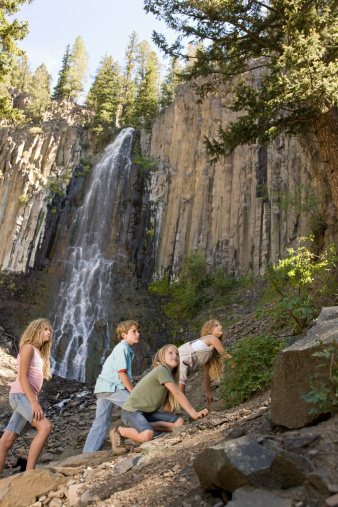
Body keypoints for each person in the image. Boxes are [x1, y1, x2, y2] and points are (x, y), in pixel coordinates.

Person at [110, 344, 209, 454]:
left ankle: (143, 427)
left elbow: (166, 406)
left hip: (148, 414)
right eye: (170, 353)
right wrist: (194, 413)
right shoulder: (161, 369)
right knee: (147, 434)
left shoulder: (169, 376)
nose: (175, 355)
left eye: (177, 354)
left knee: (179, 422)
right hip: (131, 411)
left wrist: (168, 417)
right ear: (162, 357)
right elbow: (177, 393)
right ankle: (119, 431)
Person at [0, 318, 53, 475]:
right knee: (45, 426)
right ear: (35, 330)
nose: (48, 332)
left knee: (7, 440)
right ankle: (29, 474)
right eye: (45, 329)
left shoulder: (39, 352)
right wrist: (33, 402)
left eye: (49, 330)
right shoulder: (28, 348)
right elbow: (22, 377)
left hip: (25, 397)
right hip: (20, 395)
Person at [83, 320, 140, 453]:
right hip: (112, 387)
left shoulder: (122, 348)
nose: (137, 334)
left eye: (138, 331)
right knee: (136, 406)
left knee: (101, 422)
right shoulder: (123, 348)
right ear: (124, 335)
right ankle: (143, 434)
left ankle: (88, 452)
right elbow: (122, 373)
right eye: (134, 331)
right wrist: (132, 392)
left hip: (103, 387)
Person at [178, 319, 232, 404]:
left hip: (180, 361)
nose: (220, 327)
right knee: (181, 395)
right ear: (209, 329)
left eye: (220, 325)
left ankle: (170, 412)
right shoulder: (212, 338)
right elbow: (226, 356)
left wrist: (208, 393)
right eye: (216, 325)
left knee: (170, 393)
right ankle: (187, 412)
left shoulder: (207, 350)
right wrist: (239, 364)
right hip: (180, 360)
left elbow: (206, 373)